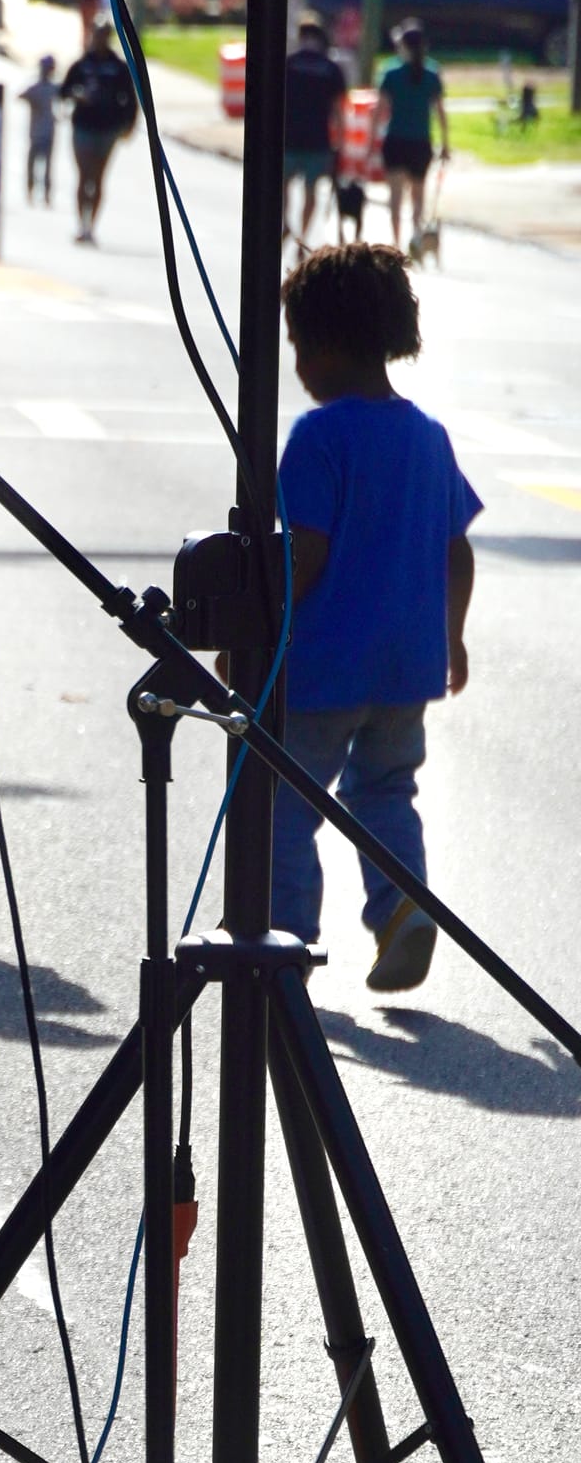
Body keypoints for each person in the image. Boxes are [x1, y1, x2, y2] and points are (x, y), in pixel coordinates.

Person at [268, 245, 477, 994]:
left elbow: (306, 556)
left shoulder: (317, 439)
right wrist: (450, 638)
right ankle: (401, 910)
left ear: (321, 345)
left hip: (326, 663)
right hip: (406, 666)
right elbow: (458, 551)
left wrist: (258, 638)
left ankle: (281, 944)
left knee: (282, 802)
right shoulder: (427, 435)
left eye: (295, 346)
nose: (295, 363)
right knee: (385, 789)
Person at [61, 15, 138, 244]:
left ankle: (91, 225)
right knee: (84, 176)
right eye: (98, 35)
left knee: (98, 177)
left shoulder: (118, 67)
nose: (100, 39)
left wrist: (129, 125)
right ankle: (81, 224)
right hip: (83, 126)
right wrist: (78, 95)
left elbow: (130, 100)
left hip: (108, 129)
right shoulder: (82, 64)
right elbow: (64, 91)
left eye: (105, 35)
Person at [377, 22, 449, 251]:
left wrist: (370, 143)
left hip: (396, 140)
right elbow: (440, 112)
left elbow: (379, 112)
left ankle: (396, 243)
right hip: (421, 142)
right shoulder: (432, 74)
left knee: (395, 197)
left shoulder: (390, 73)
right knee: (418, 195)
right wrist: (446, 144)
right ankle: (416, 236)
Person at [283, 14, 347, 249]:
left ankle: (285, 223)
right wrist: (340, 143)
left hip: (287, 136)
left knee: (282, 184)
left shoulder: (289, 63)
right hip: (318, 140)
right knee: (311, 191)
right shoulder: (330, 69)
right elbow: (339, 111)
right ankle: (303, 235)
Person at [22, 52, 59, 204]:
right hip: (35, 132)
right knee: (32, 164)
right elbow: (20, 95)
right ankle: (30, 190)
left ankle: (46, 194)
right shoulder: (35, 87)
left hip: (48, 131)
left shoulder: (54, 88)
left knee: (47, 166)